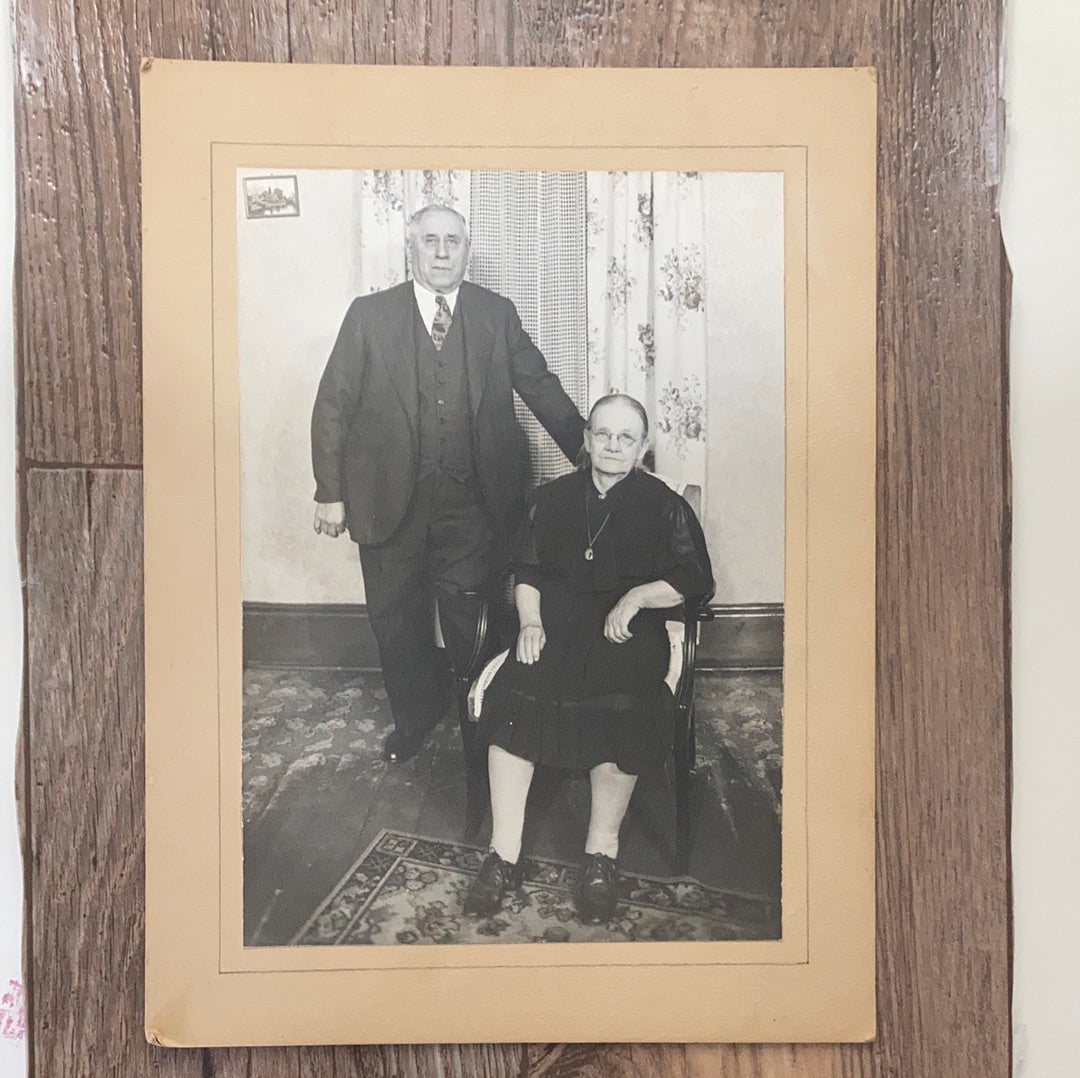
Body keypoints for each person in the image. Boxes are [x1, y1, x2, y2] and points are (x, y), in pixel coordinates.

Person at [311, 204, 585, 764]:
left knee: (475, 621)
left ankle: (486, 724)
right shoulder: (369, 316)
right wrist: (330, 491)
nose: (441, 252)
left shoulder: (495, 314)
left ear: (467, 250)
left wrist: (590, 449)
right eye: (430, 241)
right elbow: (331, 405)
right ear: (410, 249)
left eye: (453, 242)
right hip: (388, 504)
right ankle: (413, 720)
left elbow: (539, 385)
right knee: (397, 621)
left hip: (474, 506)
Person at [463, 394, 714, 924]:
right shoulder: (550, 498)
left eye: (626, 437)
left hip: (626, 636)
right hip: (555, 629)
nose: (613, 446)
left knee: (625, 703)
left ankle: (602, 854)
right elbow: (526, 572)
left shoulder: (665, 506)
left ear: (643, 446)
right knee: (514, 691)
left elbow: (695, 581)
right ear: (586, 438)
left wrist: (639, 596)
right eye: (603, 434)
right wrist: (530, 622)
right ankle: (503, 854)